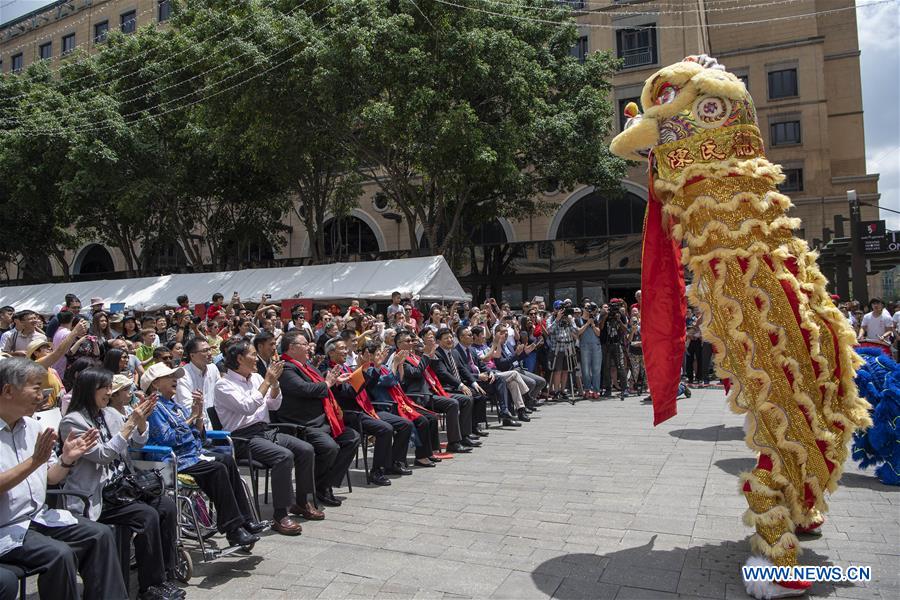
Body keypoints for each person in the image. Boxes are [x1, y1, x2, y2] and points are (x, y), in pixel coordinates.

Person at [0, 358, 127, 600]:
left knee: (99, 534)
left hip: (37, 518)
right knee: (59, 554)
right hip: (7, 529)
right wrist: (33, 462)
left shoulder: (33, 427)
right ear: (8, 390)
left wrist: (67, 460)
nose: (42, 396)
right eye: (36, 388)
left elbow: (50, 477)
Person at [60, 368, 183, 600]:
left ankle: (165, 575)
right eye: (104, 388)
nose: (109, 392)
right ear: (89, 389)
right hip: (98, 494)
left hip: (123, 487)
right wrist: (129, 425)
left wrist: (141, 422)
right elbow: (102, 455)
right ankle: (150, 587)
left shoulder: (110, 413)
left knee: (166, 506)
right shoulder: (72, 421)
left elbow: (137, 443)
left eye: (110, 387)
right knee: (146, 515)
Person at [143, 362, 263, 547]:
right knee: (217, 469)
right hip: (170, 459)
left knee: (227, 460)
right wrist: (192, 417)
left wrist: (198, 415)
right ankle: (232, 528)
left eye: (174, 376)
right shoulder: (153, 408)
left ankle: (245, 519)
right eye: (169, 377)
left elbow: (197, 435)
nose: (175, 380)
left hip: (190, 453)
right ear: (155, 384)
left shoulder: (175, 406)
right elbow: (168, 438)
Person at [214, 338, 319, 534]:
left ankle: (301, 501)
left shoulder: (255, 378)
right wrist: (267, 382)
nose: (256, 359)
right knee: (283, 456)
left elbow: (273, 405)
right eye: (253, 355)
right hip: (243, 438)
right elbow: (247, 407)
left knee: (306, 449)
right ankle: (280, 515)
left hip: (264, 431)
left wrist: (275, 385)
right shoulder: (223, 384)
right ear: (239, 358)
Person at [277, 330, 361, 507]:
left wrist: (335, 381)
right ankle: (320, 487)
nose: (309, 347)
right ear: (292, 348)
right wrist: (327, 383)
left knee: (352, 437)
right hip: (303, 423)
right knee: (329, 447)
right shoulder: (286, 368)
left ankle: (325, 483)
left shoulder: (306, 366)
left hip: (321, 420)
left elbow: (319, 382)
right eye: (304, 344)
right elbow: (304, 389)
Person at [323, 338, 412, 485]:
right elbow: (349, 393)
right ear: (331, 352)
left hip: (366, 408)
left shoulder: (346, 367)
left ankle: (394, 463)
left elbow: (368, 387)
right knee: (385, 429)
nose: (346, 351)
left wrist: (376, 367)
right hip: (349, 414)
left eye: (346, 348)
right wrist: (360, 372)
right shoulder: (328, 371)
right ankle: (377, 471)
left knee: (405, 424)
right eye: (342, 348)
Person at [401, 329, 474, 454]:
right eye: (408, 341)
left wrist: (430, 354)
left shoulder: (416, 356)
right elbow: (416, 373)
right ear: (399, 343)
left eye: (412, 340)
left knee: (467, 399)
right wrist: (426, 354)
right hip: (421, 396)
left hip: (434, 389)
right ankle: (454, 443)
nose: (412, 343)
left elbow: (434, 368)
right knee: (453, 403)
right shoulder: (402, 359)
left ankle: (465, 436)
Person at [577, 302, 605, 399]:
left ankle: (596, 390)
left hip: (596, 346)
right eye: (586, 307)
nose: (588, 309)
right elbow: (578, 332)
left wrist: (592, 324)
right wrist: (587, 323)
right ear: (583, 309)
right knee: (585, 370)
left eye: (589, 307)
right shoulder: (578, 319)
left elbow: (598, 333)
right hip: (584, 346)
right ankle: (587, 389)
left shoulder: (595, 319)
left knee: (596, 369)